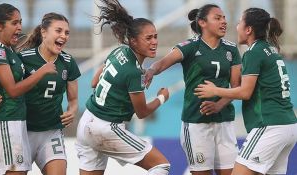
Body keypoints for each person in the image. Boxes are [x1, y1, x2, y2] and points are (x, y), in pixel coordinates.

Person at [195, 7, 297, 175]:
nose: (236, 26)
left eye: (240, 22)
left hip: (269, 125)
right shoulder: (270, 50)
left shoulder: (254, 52)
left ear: (248, 29)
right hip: (288, 125)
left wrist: (215, 90)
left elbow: (245, 92)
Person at [75, 0, 171, 175]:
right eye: (148, 38)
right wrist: (162, 97)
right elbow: (142, 112)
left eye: (155, 36)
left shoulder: (118, 51)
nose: (154, 42)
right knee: (161, 165)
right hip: (105, 128)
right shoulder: (133, 72)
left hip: (86, 122)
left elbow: (94, 83)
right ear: (133, 41)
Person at [145, 4, 241, 175]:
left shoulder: (231, 49)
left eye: (224, 18)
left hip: (224, 121)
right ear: (203, 23)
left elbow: (236, 87)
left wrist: (219, 105)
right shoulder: (190, 46)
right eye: (217, 18)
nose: (224, 22)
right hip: (196, 123)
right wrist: (151, 71)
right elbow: (162, 63)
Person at [0, 3, 56, 175]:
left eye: (20, 22)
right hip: (4, 120)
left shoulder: (8, 50)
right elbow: (12, 90)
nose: (19, 27)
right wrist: (42, 71)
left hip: (16, 122)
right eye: (14, 23)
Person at [15, 12, 81, 175]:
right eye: (58, 31)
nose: (63, 36)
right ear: (44, 32)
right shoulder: (23, 58)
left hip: (51, 132)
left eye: (66, 33)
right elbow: (8, 88)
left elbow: (73, 99)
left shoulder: (68, 62)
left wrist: (71, 111)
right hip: (22, 131)